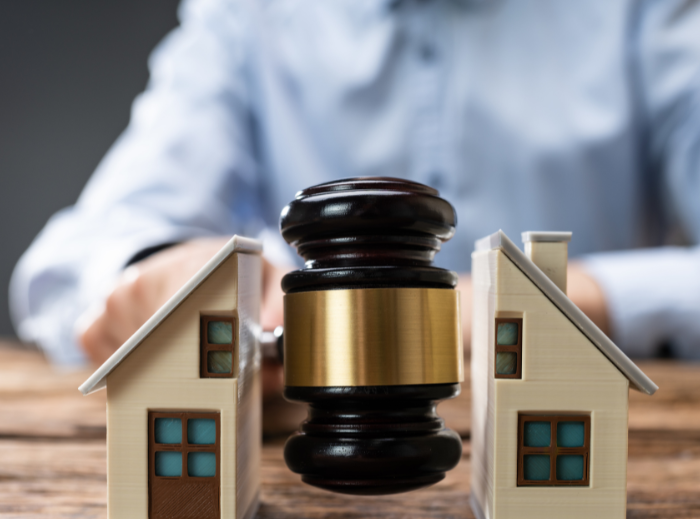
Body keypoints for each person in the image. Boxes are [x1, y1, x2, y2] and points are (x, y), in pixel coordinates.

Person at [10, 0, 700, 394]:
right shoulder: (246, 19)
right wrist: (162, 269)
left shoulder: (645, 14)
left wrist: (548, 302)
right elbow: (80, 254)